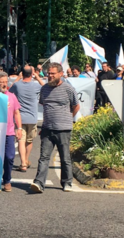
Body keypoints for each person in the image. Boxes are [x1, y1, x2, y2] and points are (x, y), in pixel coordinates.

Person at [30, 62, 79, 194]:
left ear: (60, 74)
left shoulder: (68, 89)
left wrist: (68, 119)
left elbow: (76, 106)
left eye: (52, 73)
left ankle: (67, 182)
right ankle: (39, 183)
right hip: (47, 129)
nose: (49, 76)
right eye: (48, 73)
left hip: (63, 129)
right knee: (44, 157)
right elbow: (44, 105)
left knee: (65, 157)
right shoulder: (44, 88)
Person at [0, 71, 23, 193]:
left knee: (9, 157)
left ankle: (7, 179)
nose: (4, 84)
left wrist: (19, 128)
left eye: (6, 82)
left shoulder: (12, 96)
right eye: (1, 82)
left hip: (9, 132)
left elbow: (16, 113)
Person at [10, 65, 43, 173]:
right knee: (29, 141)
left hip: (20, 117)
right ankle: (26, 160)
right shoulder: (36, 86)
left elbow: (9, 90)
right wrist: (37, 77)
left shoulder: (17, 85)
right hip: (32, 118)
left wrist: (18, 78)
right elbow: (47, 87)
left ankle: (23, 163)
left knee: (21, 140)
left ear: (22, 73)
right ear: (31, 74)